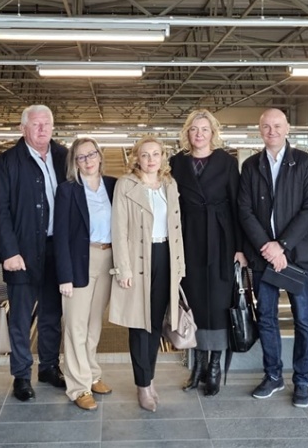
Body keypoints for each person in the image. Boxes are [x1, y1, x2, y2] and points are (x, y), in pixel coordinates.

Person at [238, 108, 308, 409]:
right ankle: (273, 375)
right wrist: (267, 246)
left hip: (296, 255)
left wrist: (282, 246)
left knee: (304, 320)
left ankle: (303, 381)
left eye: (277, 126)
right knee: (267, 318)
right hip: (263, 257)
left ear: (288, 129)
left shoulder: (305, 163)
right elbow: (244, 210)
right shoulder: (250, 166)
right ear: (260, 130)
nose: (271, 131)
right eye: (266, 126)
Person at [0, 105, 69, 402]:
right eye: (36, 124)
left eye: (46, 123)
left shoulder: (64, 157)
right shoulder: (8, 162)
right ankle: (21, 375)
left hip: (56, 249)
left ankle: (49, 367)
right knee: (21, 318)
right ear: (23, 128)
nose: (42, 129)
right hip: (21, 251)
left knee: (52, 314)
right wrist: (9, 251)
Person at [169, 109, 243, 396]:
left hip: (221, 239)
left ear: (213, 133)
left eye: (204, 129)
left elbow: (236, 205)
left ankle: (214, 366)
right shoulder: (177, 162)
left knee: (219, 303)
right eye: (193, 129)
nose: (198, 134)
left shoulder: (227, 162)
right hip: (188, 239)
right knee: (194, 303)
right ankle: (197, 364)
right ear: (187, 133)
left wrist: (239, 248)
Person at [108, 136, 185, 412]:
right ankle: (142, 385)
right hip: (139, 259)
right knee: (139, 324)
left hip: (165, 257)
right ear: (136, 158)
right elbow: (119, 229)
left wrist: (180, 266)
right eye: (145, 155)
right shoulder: (125, 185)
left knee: (155, 324)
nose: (151, 160)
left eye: (155, 154)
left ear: (163, 157)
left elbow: (176, 228)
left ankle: (149, 379)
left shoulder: (170, 184)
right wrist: (123, 268)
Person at [53, 138, 117, 411]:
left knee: (93, 324)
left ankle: (91, 374)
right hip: (80, 260)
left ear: (100, 156)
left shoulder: (113, 185)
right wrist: (64, 276)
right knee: (75, 325)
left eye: (91, 154)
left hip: (107, 258)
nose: (88, 160)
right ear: (75, 163)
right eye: (81, 157)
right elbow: (60, 236)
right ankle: (78, 387)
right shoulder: (67, 190)